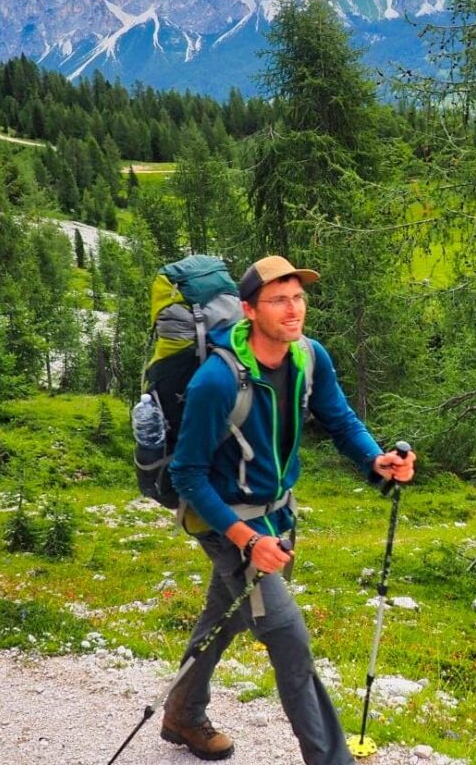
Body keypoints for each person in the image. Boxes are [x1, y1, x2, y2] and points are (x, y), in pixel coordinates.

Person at [163, 254, 415, 763]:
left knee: (224, 616)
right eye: (279, 299)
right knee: (290, 641)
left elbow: (340, 419)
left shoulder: (309, 356)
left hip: (277, 519)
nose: (293, 308)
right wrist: (246, 540)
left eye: (298, 297)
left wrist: (377, 459)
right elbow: (186, 474)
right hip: (228, 523)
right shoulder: (217, 381)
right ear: (249, 310)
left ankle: (183, 715)